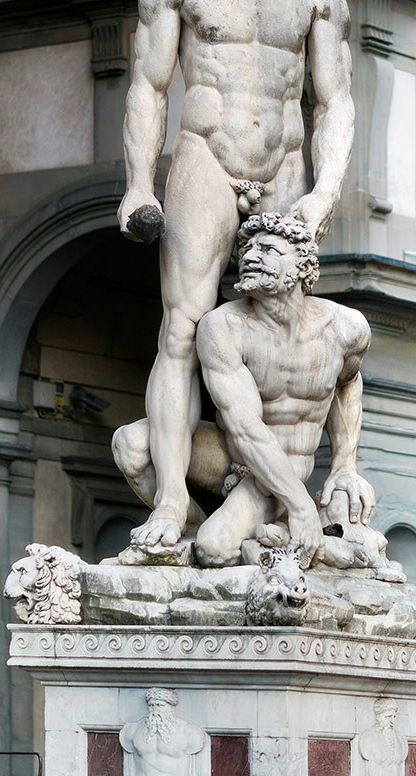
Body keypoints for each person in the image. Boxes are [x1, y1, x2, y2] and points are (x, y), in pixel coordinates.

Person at [116, 0, 356, 551]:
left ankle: (287, 495)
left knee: (286, 323)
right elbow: (149, 87)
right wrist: (136, 185)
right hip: (205, 159)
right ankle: (168, 502)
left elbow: (335, 102)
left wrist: (324, 193)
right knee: (183, 328)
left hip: (284, 161)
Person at [112, 213, 376, 568]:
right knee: (131, 443)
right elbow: (244, 427)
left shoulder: (346, 328)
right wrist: (302, 507)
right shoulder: (222, 326)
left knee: (217, 548)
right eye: (247, 249)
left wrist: (345, 465)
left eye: (268, 249)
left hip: (287, 463)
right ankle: (192, 534)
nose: (251, 256)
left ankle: (237, 539)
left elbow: (347, 383)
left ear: (302, 264)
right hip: (232, 451)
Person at [119, 688, 206, 776]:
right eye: (151, 705)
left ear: (171, 707)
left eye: (159, 705)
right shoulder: (133, 730)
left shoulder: (188, 731)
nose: (155, 710)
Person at [356, 698, 404, 776]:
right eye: (388, 717)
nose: (392, 721)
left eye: (394, 717)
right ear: (378, 717)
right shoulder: (368, 737)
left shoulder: (400, 739)